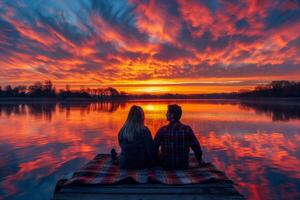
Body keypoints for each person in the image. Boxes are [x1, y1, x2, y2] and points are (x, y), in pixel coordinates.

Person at [154, 104, 204, 169]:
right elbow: (196, 148)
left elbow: (154, 148)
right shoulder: (187, 129)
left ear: (172, 115)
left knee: (160, 152)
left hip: (166, 165)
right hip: (183, 165)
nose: (166, 114)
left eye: (167, 112)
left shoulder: (162, 130)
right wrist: (199, 161)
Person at [114, 105, 156, 169]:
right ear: (142, 117)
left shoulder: (123, 130)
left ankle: (115, 157)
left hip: (124, 164)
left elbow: (121, 145)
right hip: (141, 164)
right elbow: (150, 149)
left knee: (121, 155)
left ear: (129, 116)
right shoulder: (144, 130)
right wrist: (154, 161)